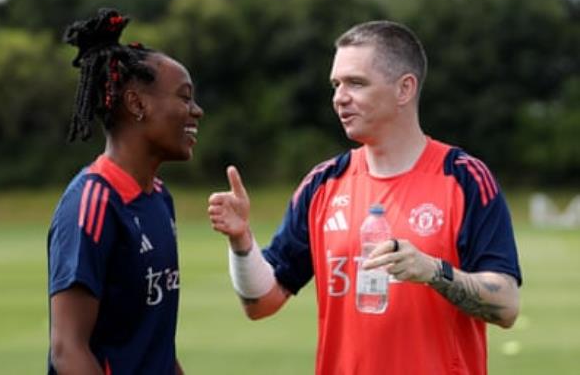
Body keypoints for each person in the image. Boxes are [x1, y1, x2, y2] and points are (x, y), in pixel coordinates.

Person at [208, 20, 521, 375]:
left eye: (356, 83)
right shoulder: (323, 183)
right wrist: (241, 242)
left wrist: (434, 272)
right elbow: (262, 303)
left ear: (405, 89)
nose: (339, 97)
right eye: (336, 84)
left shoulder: (464, 177)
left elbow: (507, 305)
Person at [47, 8, 202, 375]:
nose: (197, 110)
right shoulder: (92, 203)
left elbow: (156, 347)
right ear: (137, 104)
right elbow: (68, 350)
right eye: (184, 97)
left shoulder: (160, 199)